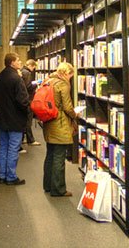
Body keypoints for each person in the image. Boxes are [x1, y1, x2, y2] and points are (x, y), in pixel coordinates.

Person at [0, 52, 30, 185]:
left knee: (3, 147)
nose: (20, 62)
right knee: (13, 147)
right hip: (15, 119)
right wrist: (27, 111)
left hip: (2, 119)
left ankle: (2, 175)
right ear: (12, 62)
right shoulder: (16, 79)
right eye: (18, 60)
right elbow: (23, 100)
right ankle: (11, 177)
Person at [42, 61, 78, 197]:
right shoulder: (63, 84)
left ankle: (47, 185)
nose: (71, 78)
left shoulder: (49, 81)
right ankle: (58, 189)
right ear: (66, 73)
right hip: (60, 124)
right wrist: (76, 115)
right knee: (59, 157)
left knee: (50, 155)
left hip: (49, 122)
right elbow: (67, 107)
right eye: (70, 75)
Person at [19, 59, 41, 146]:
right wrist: (36, 84)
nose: (33, 69)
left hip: (24, 98)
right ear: (31, 66)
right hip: (28, 98)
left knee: (25, 119)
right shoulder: (27, 73)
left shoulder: (22, 71)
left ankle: (22, 139)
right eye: (34, 67)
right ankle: (30, 140)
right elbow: (28, 86)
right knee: (28, 120)